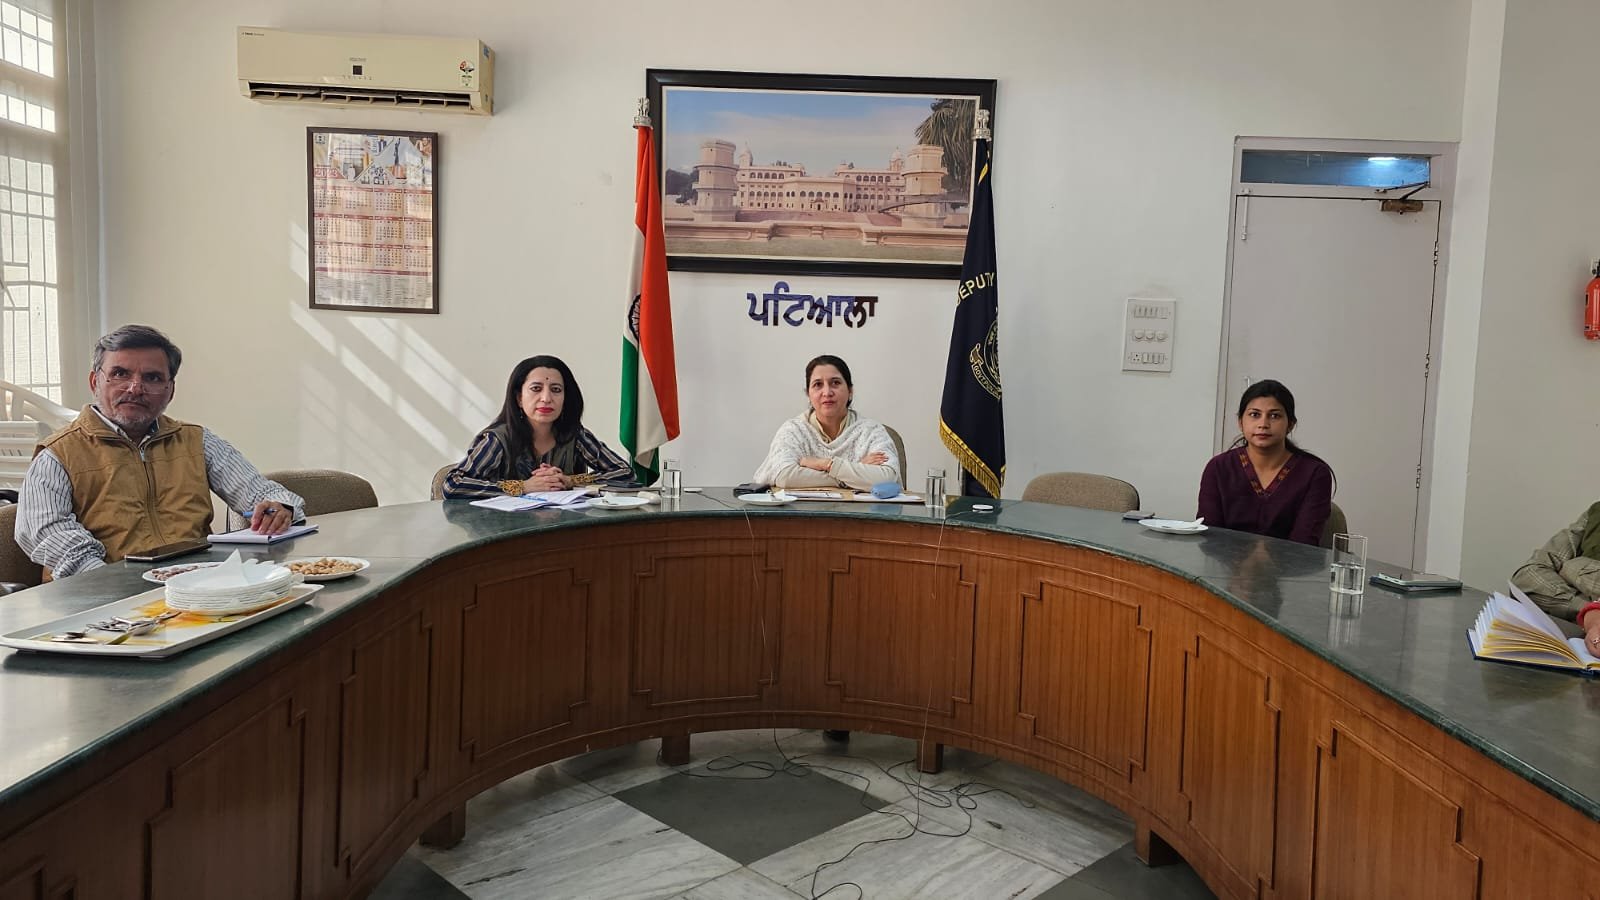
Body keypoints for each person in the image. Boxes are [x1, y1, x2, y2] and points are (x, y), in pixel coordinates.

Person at [15, 325, 304, 578]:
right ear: (95, 382)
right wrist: (108, 582)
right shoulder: (58, 454)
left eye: (152, 378)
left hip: (197, 587)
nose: (135, 388)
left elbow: (262, 493)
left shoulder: (196, 440)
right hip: (100, 599)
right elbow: (45, 533)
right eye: (120, 374)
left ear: (170, 390)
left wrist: (281, 509)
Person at [443, 355, 631, 499]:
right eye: (536, 389)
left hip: (564, 528)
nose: (546, 398)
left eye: (556, 390)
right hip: (504, 530)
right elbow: (453, 485)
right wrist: (524, 487)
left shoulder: (575, 435)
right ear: (519, 398)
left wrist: (569, 480)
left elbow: (625, 473)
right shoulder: (498, 439)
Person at [1196, 379, 1333, 546]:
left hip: (1291, 563)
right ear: (1240, 422)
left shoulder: (1314, 474)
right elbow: (1209, 537)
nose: (1263, 424)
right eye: (1254, 415)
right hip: (1224, 562)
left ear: (1290, 424)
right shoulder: (1218, 468)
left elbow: (1304, 544)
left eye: (1274, 416)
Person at [753, 354, 900, 492]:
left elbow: (886, 478)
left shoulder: (872, 430)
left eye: (835, 383)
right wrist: (855, 472)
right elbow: (785, 476)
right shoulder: (792, 430)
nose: (827, 392)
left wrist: (825, 464)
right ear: (808, 394)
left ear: (850, 391)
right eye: (818, 384)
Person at [1511, 501, 1600, 654]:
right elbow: (1527, 575)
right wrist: (1588, 611)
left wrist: (1573, 568)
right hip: (1572, 647)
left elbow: (1571, 568)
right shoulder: (1596, 514)